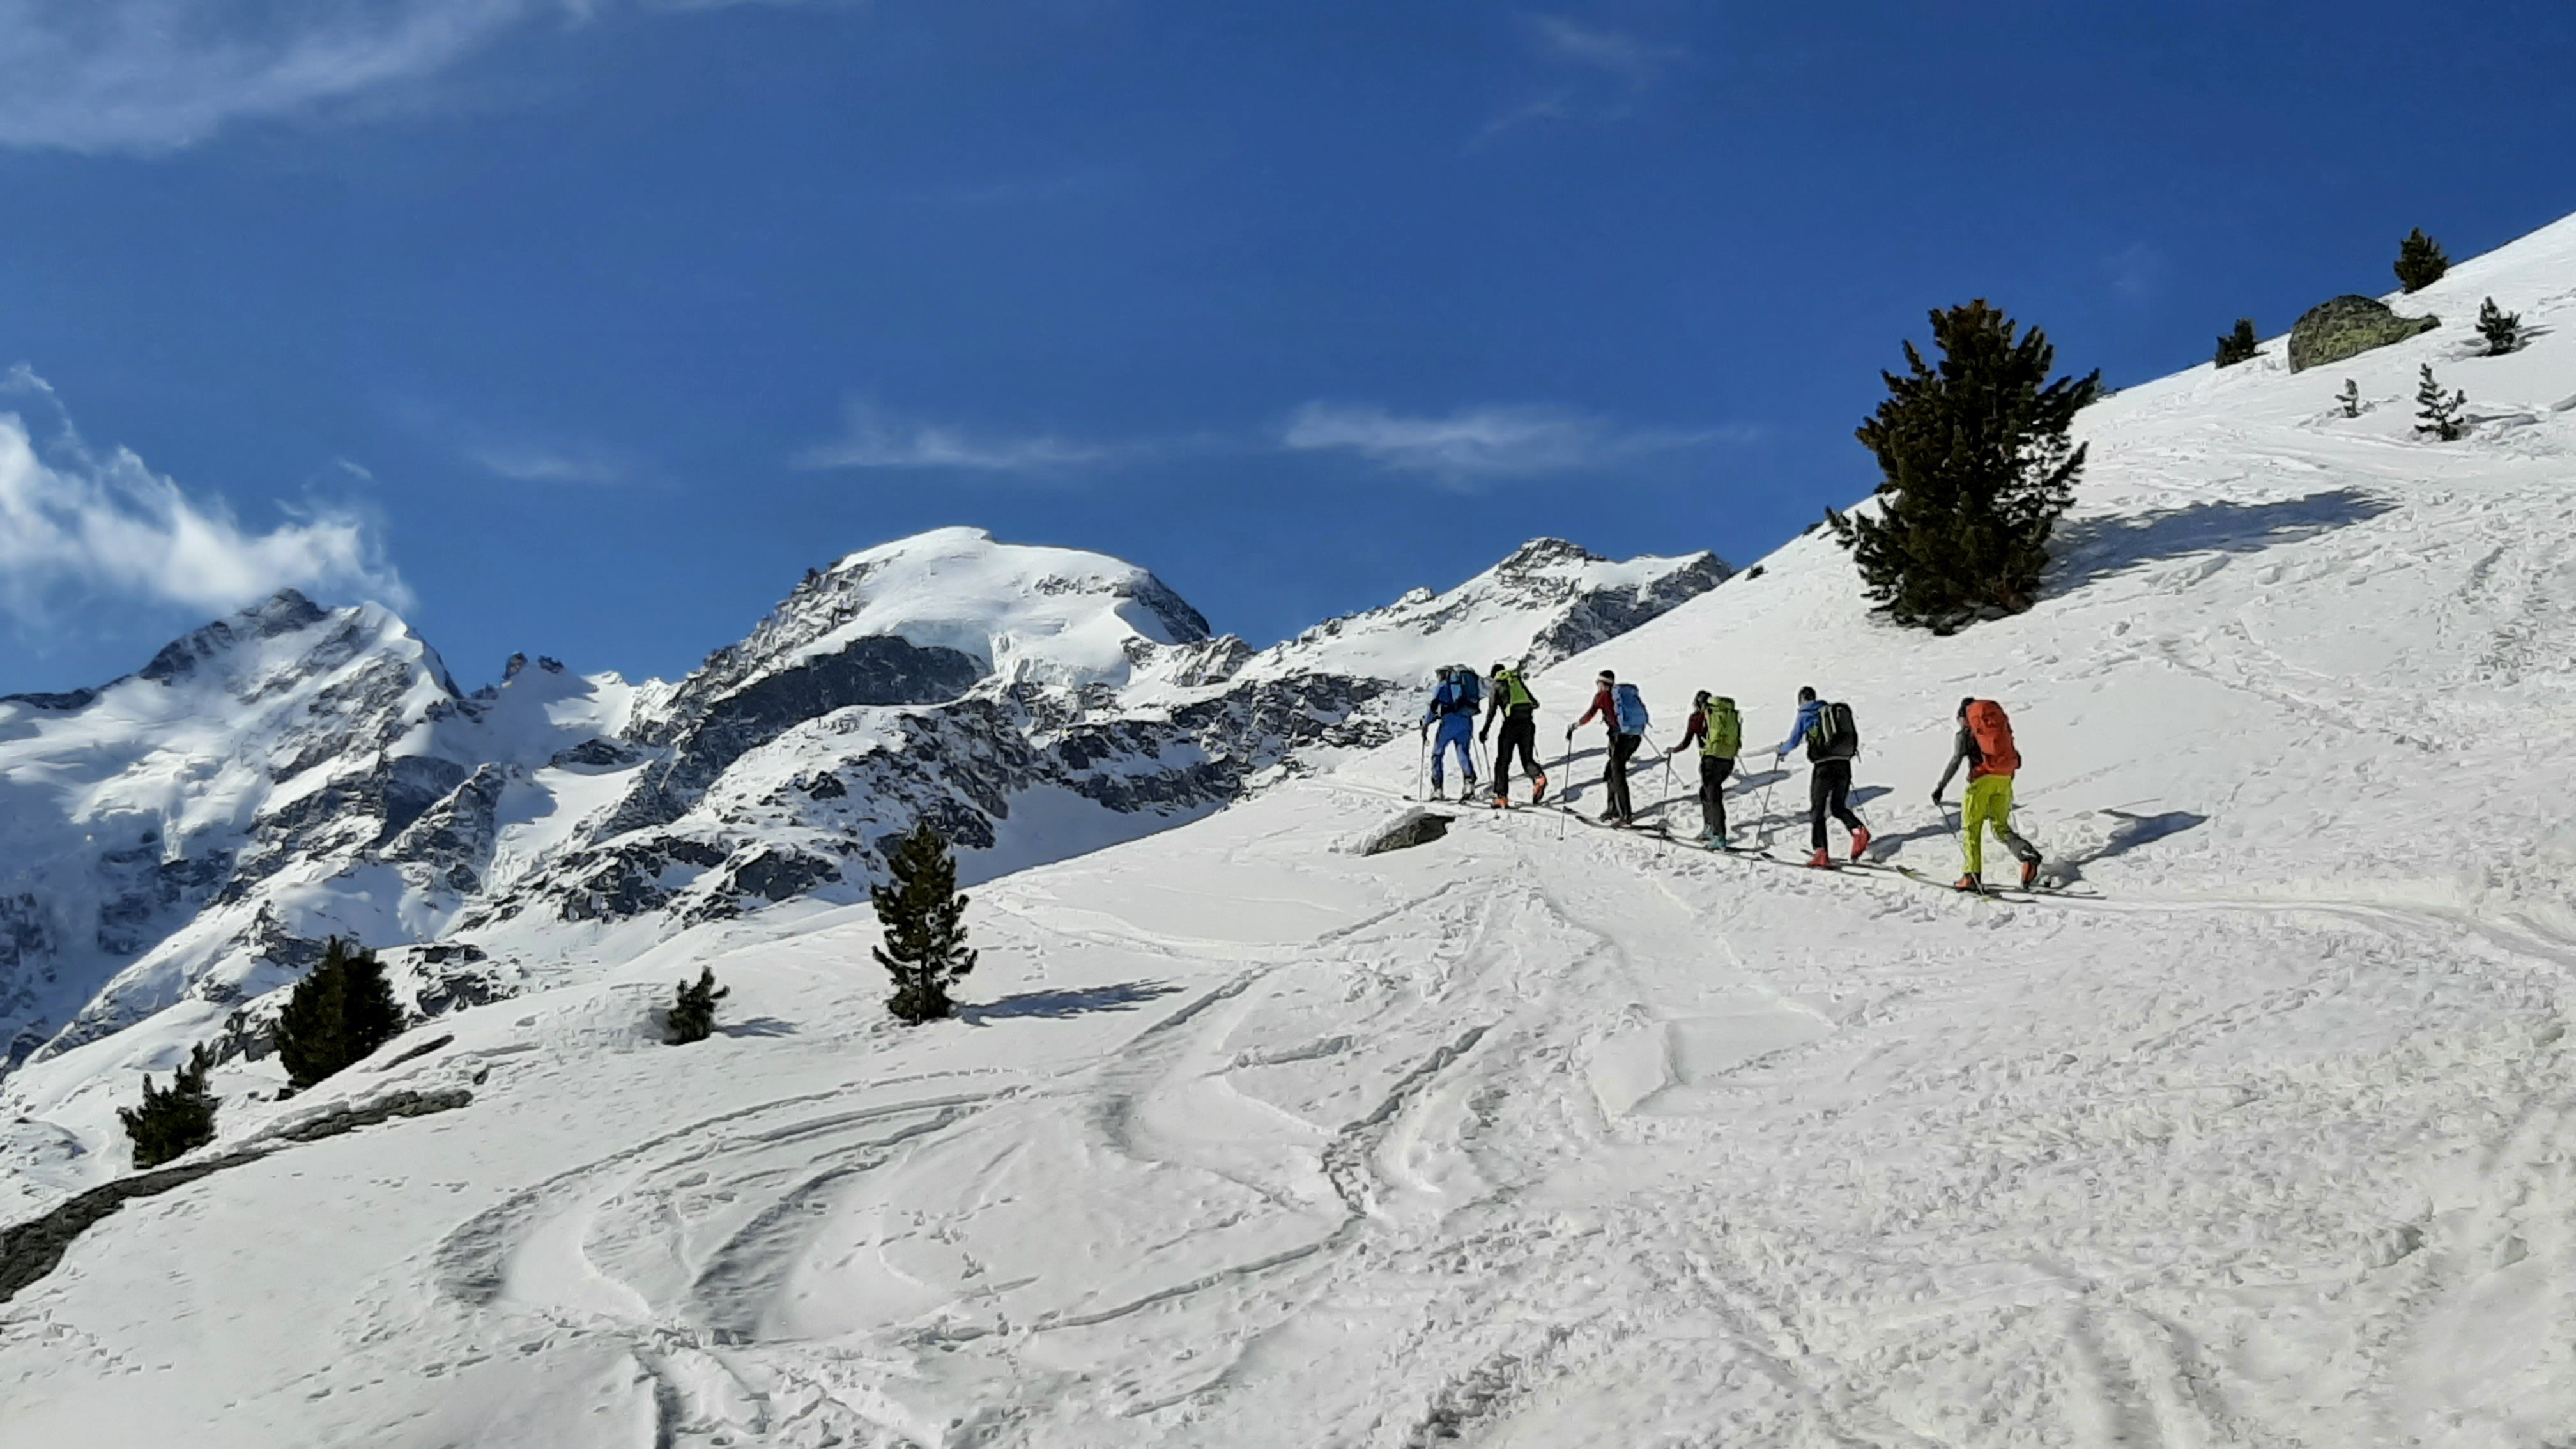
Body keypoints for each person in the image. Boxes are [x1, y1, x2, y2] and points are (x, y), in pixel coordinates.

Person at [1933, 696, 2044, 890]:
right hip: (2004, 780)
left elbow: (1956, 761)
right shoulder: (1996, 732)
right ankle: (2027, 854)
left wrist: (1941, 787)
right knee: (2001, 827)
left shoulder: (1966, 734)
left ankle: (1971, 877)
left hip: (1981, 782)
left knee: (1971, 830)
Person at [1772, 686, 1869, 867]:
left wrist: (1781, 750)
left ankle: (1821, 852)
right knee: (1838, 807)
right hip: (1844, 764)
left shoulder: (1806, 714)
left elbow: (1793, 741)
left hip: (1823, 767)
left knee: (1818, 810)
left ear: (1801, 700)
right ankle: (1858, 830)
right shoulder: (1831, 712)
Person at [1666, 689, 1742, 847]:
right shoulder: (1725, 716)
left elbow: (1686, 743)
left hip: (1710, 761)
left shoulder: (1697, 718)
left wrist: (1674, 750)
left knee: (1713, 796)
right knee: (1706, 793)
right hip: (1728, 760)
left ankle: (1718, 835)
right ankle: (1710, 828)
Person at [1571, 669, 1644, 824]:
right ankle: (1613, 809)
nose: (1597, 686)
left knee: (1617, 774)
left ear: (1604, 684)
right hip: (1635, 738)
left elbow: (1591, 714)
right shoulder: (1622, 695)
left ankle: (1625, 815)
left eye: (1598, 683)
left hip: (1620, 739)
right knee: (1611, 772)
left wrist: (1576, 725)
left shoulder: (1603, 696)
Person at [1482, 661, 1545, 806]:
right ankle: (1538, 777)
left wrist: (1484, 731)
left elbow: (1491, 711)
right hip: (1528, 724)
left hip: (1511, 725)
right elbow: (1534, 703)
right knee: (1527, 759)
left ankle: (1501, 796)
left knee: (1502, 762)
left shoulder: (1497, 684)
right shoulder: (1516, 681)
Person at [1418, 666, 1479, 800]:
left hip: (1449, 725)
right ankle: (1469, 785)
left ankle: (1438, 789)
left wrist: (1426, 724)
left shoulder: (1442, 687)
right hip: (1466, 722)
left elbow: (1434, 707)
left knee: (1437, 753)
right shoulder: (1462, 688)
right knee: (1463, 752)